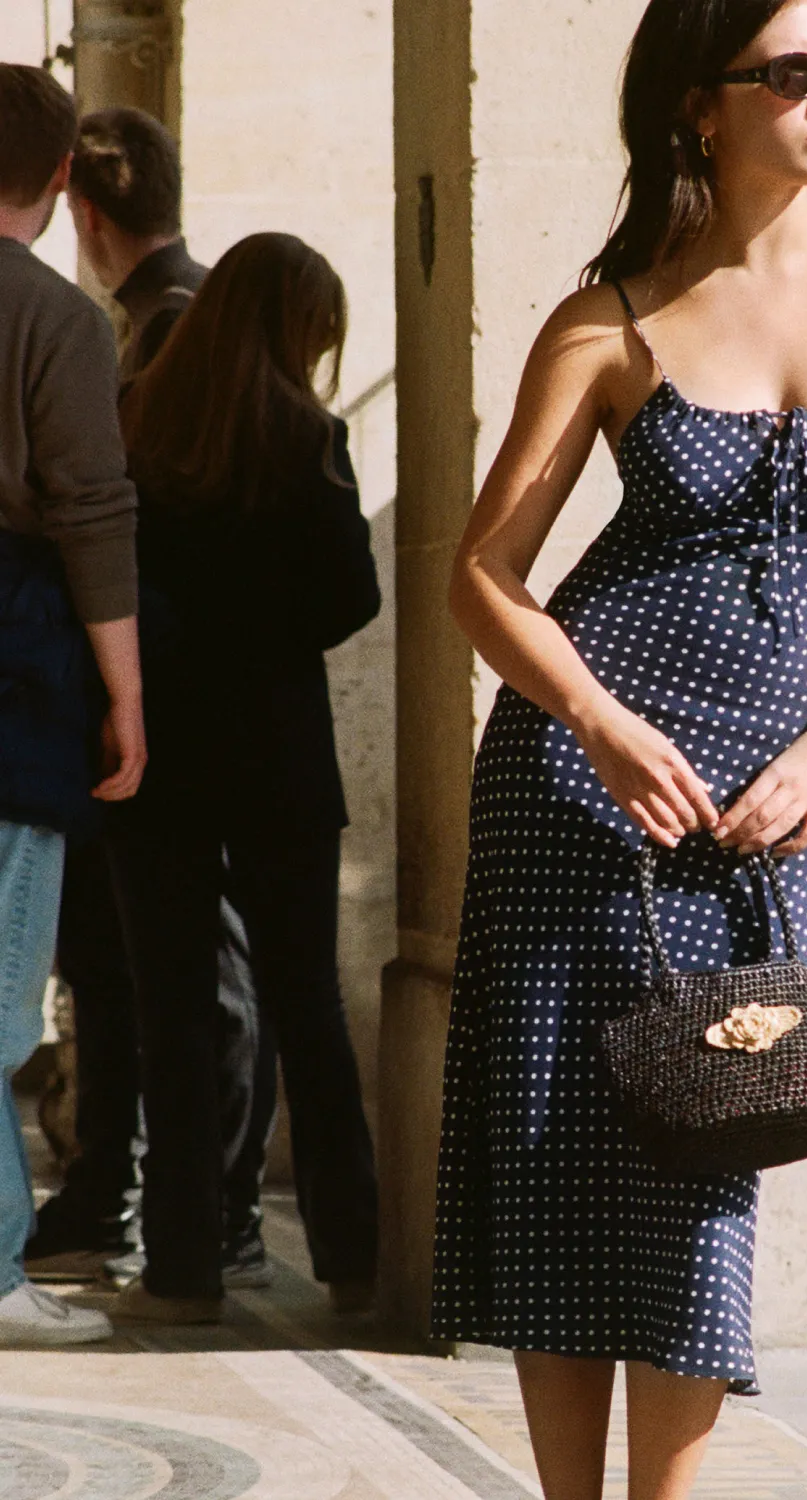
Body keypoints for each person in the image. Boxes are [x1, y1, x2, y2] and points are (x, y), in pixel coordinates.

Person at [431, 0, 807, 1495]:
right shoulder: (607, 319)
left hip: (773, 805)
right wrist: (598, 727)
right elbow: (482, 570)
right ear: (698, 106)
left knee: (708, 1147)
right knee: (559, 1161)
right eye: (786, 71)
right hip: (585, 792)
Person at [106, 231, 381, 1324]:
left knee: (170, 1014)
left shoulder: (139, 427)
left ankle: (180, 1276)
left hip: (157, 757)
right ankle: (355, 1270)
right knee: (307, 1008)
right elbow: (349, 599)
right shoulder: (310, 439)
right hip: (278, 759)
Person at [25, 105, 277, 1289]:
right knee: (121, 967)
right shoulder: (115, 321)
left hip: (172, 702)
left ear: (84, 204)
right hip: (126, 688)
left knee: (176, 976)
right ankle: (136, 1203)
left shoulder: (168, 326)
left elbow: (119, 516)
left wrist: (131, 683)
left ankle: (192, 1213)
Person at [0, 63, 148, 1346]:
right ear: (57, 183)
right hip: (16, 670)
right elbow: (93, 514)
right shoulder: (60, 320)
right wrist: (127, 695)